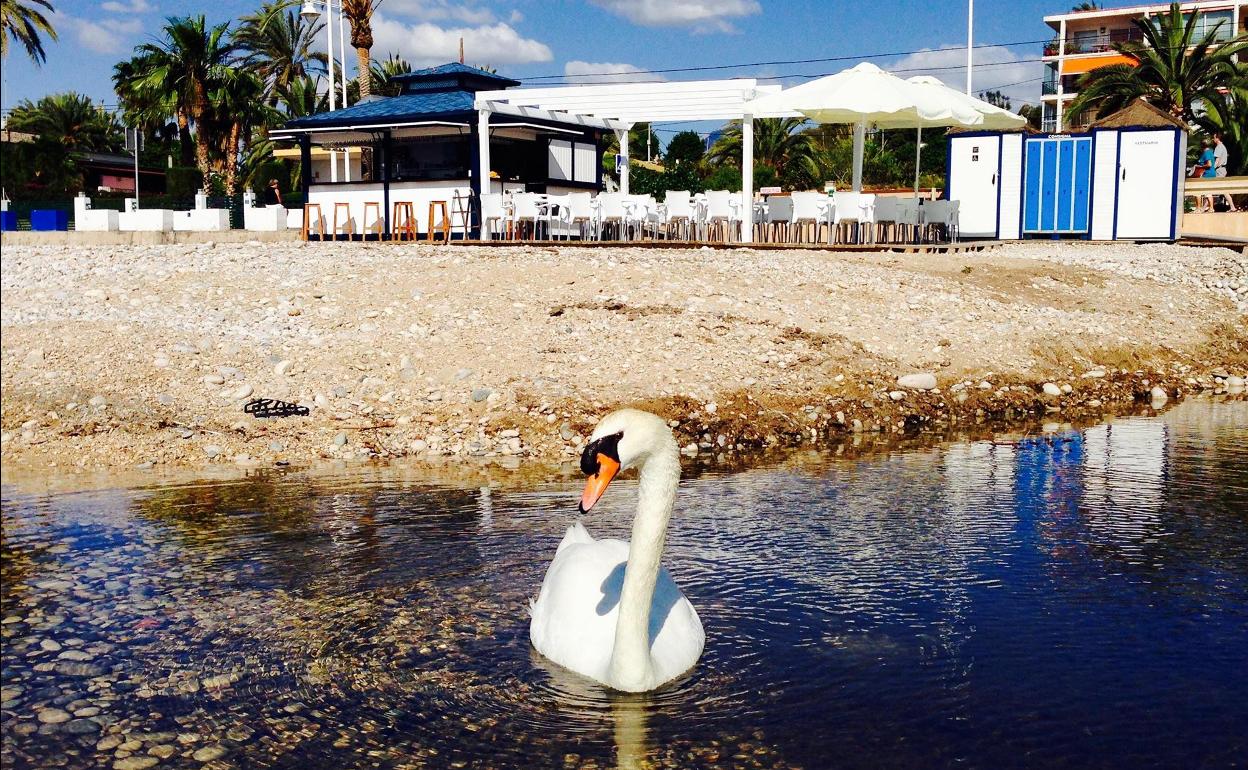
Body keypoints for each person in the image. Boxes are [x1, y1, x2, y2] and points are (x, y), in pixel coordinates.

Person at [1212, 133, 1239, 212]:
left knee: (1218, 189)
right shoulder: (1222, 147)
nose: (1213, 139)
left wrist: (1212, 169)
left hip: (1219, 170)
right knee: (1215, 189)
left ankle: (1232, 207)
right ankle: (1232, 207)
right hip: (1222, 170)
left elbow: (1217, 160)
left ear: (1217, 138)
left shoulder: (1219, 147)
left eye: (1214, 138)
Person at [1194, 139, 1216, 212]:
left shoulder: (1206, 153)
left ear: (1202, 145)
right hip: (1211, 174)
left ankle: (1198, 208)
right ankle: (1211, 208)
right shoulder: (1210, 152)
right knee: (1208, 191)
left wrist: (1199, 166)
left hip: (1206, 174)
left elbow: (1209, 164)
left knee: (1197, 191)